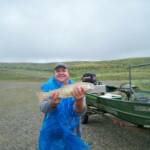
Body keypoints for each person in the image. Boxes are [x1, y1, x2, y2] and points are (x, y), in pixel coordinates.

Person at [38, 63, 89, 150]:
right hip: (52, 130)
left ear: (68, 73)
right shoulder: (48, 87)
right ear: (54, 74)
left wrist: (79, 101)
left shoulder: (77, 87)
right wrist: (52, 103)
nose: (61, 73)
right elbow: (43, 108)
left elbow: (81, 112)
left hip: (72, 130)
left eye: (64, 70)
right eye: (58, 71)